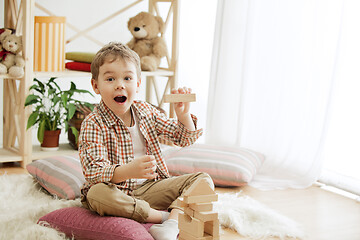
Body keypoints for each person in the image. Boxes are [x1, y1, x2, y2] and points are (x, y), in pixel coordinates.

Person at [78, 42, 214, 240]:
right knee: (96, 194)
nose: (120, 84)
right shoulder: (93, 122)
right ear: (96, 86)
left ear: (138, 84)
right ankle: (163, 217)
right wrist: (128, 171)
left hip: (152, 188)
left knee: (203, 180)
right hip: (116, 192)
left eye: (127, 78)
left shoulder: (146, 111)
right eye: (110, 78)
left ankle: (171, 224)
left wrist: (183, 116)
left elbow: (182, 138)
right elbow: (93, 171)